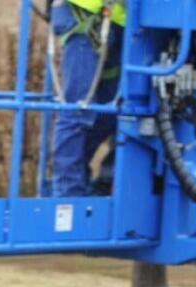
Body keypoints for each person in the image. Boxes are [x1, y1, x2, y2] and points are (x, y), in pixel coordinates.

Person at [51, 0, 125, 197]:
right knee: (78, 110)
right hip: (85, 12)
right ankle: (68, 196)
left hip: (120, 20)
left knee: (118, 115)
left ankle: (96, 184)